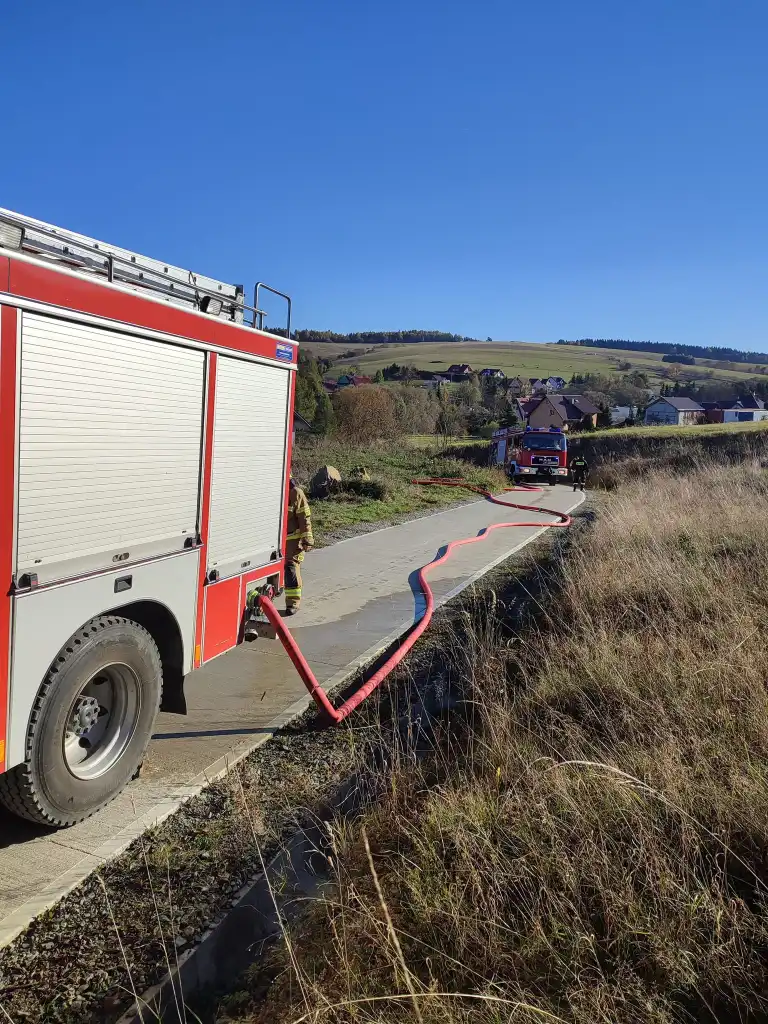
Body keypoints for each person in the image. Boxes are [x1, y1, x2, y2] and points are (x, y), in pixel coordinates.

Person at [284, 477, 313, 614]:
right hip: (276, 543)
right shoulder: (273, 490)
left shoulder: (296, 493)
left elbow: (304, 517)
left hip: (292, 541)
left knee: (291, 569)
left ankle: (292, 603)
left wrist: (307, 538)